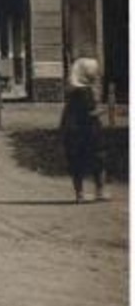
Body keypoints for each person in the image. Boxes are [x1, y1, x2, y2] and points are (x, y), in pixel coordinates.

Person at [61, 59, 106, 203]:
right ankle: (100, 191)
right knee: (98, 159)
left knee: (77, 162)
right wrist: (102, 111)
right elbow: (88, 113)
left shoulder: (72, 90)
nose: (97, 74)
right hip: (88, 131)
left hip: (72, 131)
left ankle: (79, 194)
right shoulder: (85, 91)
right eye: (94, 71)